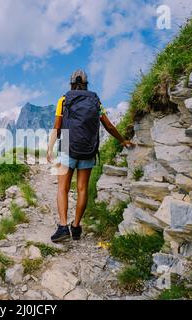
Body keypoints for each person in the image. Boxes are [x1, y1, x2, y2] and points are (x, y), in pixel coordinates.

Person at [47, 69, 135, 243]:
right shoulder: (95, 101)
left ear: (71, 83)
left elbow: (57, 127)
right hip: (88, 148)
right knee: (82, 189)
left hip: (66, 147)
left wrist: (50, 148)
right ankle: (76, 226)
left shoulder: (63, 100)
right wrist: (122, 140)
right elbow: (108, 125)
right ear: (86, 84)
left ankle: (63, 227)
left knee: (62, 188)